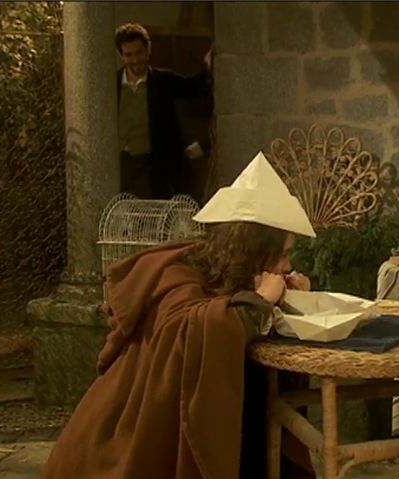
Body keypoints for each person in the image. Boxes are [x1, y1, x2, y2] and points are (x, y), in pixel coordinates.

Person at [42, 152, 317, 478]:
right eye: (282, 254)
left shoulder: (238, 276)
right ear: (255, 251)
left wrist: (286, 300)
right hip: (134, 440)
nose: (287, 265)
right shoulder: (179, 273)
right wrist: (257, 302)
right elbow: (188, 329)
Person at [115, 22, 213, 200]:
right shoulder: (111, 85)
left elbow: (197, 87)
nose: (135, 59)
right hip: (121, 166)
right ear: (121, 55)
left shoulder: (163, 81)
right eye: (129, 55)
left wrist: (209, 61)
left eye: (139, 53)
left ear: (148, 50)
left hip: (154, 166)